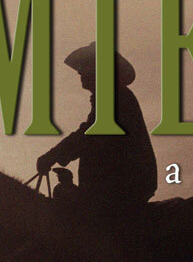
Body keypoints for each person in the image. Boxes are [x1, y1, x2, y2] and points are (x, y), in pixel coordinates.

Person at [36, 43, 157, 217]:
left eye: (84, 68)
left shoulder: (115, 97)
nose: (79, 72)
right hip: (121, 183)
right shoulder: (115, 96)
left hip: (121, 186)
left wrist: (53, 155)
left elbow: (89, 135)